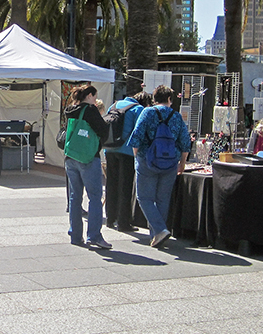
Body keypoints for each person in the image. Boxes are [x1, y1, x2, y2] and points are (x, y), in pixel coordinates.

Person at [126, 85, 190, 248]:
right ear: (169, 99)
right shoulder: (176, 116)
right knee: (163, 199)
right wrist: (182, 164)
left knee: (144, 198)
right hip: (170, 163)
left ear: (154, 99)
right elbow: (185, 142)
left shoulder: (147, 112)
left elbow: (136, 137)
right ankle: (157, 235)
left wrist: (137, 156)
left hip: (147, 160)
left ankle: (160, 230)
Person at [62, 84, 111, 249]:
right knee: (95, 196)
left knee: (75, 197)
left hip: (70, 156)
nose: (95, 101)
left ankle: (75, 234)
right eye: (95, 97)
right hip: (88, 157)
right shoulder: (90, 110)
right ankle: (94, 235)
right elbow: (104, 130)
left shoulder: (70, 109)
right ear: (89, 95)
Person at [104, 91, 152, 233]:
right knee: (125, 186)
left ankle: (110, 218)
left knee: (111, 183)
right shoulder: (138, 109)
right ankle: (123, 222)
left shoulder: (114, 105)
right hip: (126, 152)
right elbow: (141, 131)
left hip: (110, 149)